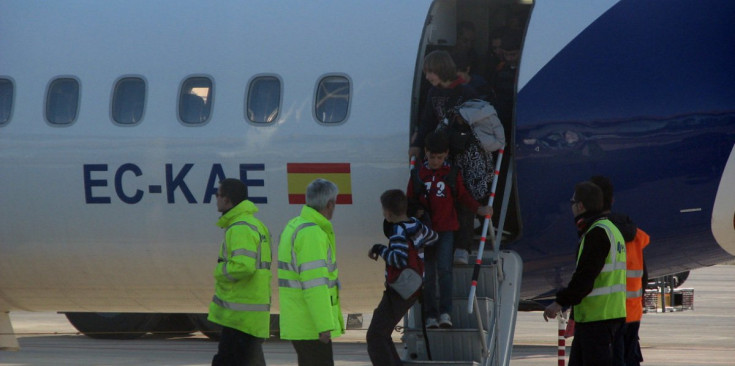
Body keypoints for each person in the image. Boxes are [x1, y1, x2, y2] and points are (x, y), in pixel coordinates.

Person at [407, 131, 493, 328]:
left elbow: (463, 196)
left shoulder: (452, 174)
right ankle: (430, 315)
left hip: (446, 230)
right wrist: (414, 215)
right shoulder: (418, 175)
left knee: (445, 271)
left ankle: (446, 313)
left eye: (439, 157)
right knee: (428, 274)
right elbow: (410, 200)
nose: (435, 161)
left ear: (446, 154)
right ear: (426, 153)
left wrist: (479, 208)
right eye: (432, 157)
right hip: (425, 232)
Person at [544, 181, 627, 366]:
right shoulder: (612, 231)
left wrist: (560, 302)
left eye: (572, 203)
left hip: (597, 322)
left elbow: (585, 277)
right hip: (607, 319)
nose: (571, 207)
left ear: (580, 206)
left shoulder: (596, 234)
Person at [366, 189, 438, 366]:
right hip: (413, 287)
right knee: (383, 333)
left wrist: (379, 248)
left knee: (375, 335)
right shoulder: (415, 225)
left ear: (388, 213)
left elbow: (398, 259)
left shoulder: (397, 231)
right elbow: (433, 237)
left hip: (398, 290)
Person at [278, 178, 344, 366]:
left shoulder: (295, 225)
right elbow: (315, 285)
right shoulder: (312, 234)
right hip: (311, 324)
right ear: (330, 204)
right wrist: (324, 326)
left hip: (300, 320)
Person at [208, 178, 272, 366]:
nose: (216, 199)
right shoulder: (254, 225)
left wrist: (219, 270)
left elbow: (243, 266)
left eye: (218, 195)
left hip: (240, 316)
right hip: (250, 314)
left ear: (227, 200)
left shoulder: (239, 227)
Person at [590, 176, 650, 366]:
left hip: (607, 316)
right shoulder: (635, 234)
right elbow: (644, 276)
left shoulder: (598, 233)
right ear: (612, 200)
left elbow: (588, 276)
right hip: (632, 313)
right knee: (630, 359)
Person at [451, 99, 506, 264]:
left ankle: (462, 247)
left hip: (469, 180)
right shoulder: (484, 126)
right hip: (473, 180)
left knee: (465, 203)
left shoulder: (468, 136)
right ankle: (462, 246)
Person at [409, 50, 478, 161]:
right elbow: (427, 121)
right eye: (425, 73)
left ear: (441, 70)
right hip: (440, 150)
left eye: (430, 72)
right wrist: (417, 144)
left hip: (461, 150)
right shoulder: (433, 92)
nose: (427, 77)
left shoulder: (466, 92)